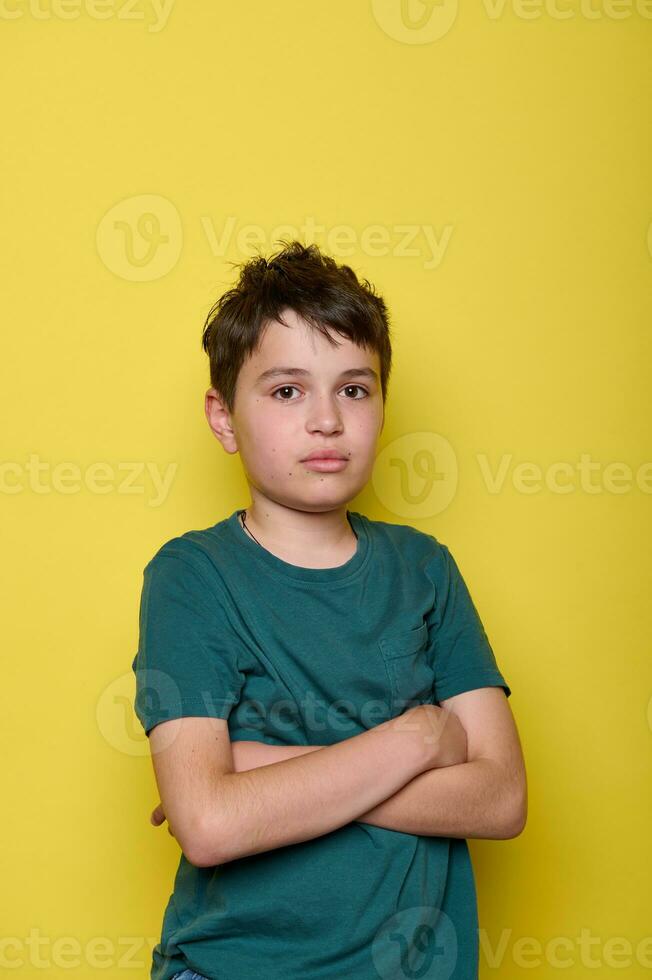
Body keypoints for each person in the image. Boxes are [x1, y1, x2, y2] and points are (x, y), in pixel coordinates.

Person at [132, 240, 527, 980]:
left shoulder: (425, 570)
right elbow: (212, 827)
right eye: (286, 391)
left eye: (354, 389)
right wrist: (415, 739)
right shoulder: (192, 576)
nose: (326, 421)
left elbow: (501, 800)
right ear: (223, 417)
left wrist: (258, 771)